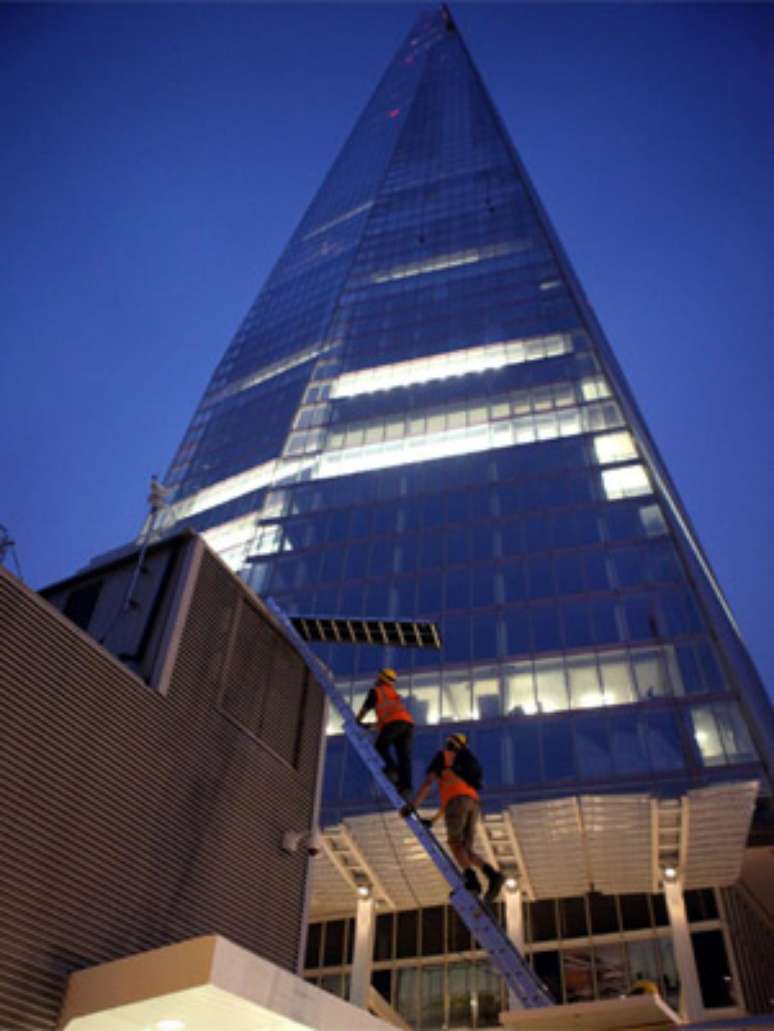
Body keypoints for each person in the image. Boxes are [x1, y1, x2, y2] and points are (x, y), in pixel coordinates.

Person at [405, 732, 504, 902]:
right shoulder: (463, 766)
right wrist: (434, 820)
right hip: (473, 803)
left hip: (457, 803)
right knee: (466, 851)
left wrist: (412, 806)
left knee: (455, 844)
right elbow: (454, 798)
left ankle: (472, 882)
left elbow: (429, 782)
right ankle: (493, 875)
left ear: (449, 742)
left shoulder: (443, 756)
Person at [355, 668, 414, 800]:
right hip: (407, 725)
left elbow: (365, 708)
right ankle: (406, 788)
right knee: (404, 757)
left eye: (378, 677)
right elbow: (385, 719)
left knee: (380, 746)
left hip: (394, 723)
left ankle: (392, 769)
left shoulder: (376, 691)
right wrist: (368, 726)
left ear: (381, 678)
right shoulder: (393, 694)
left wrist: (357, 720)